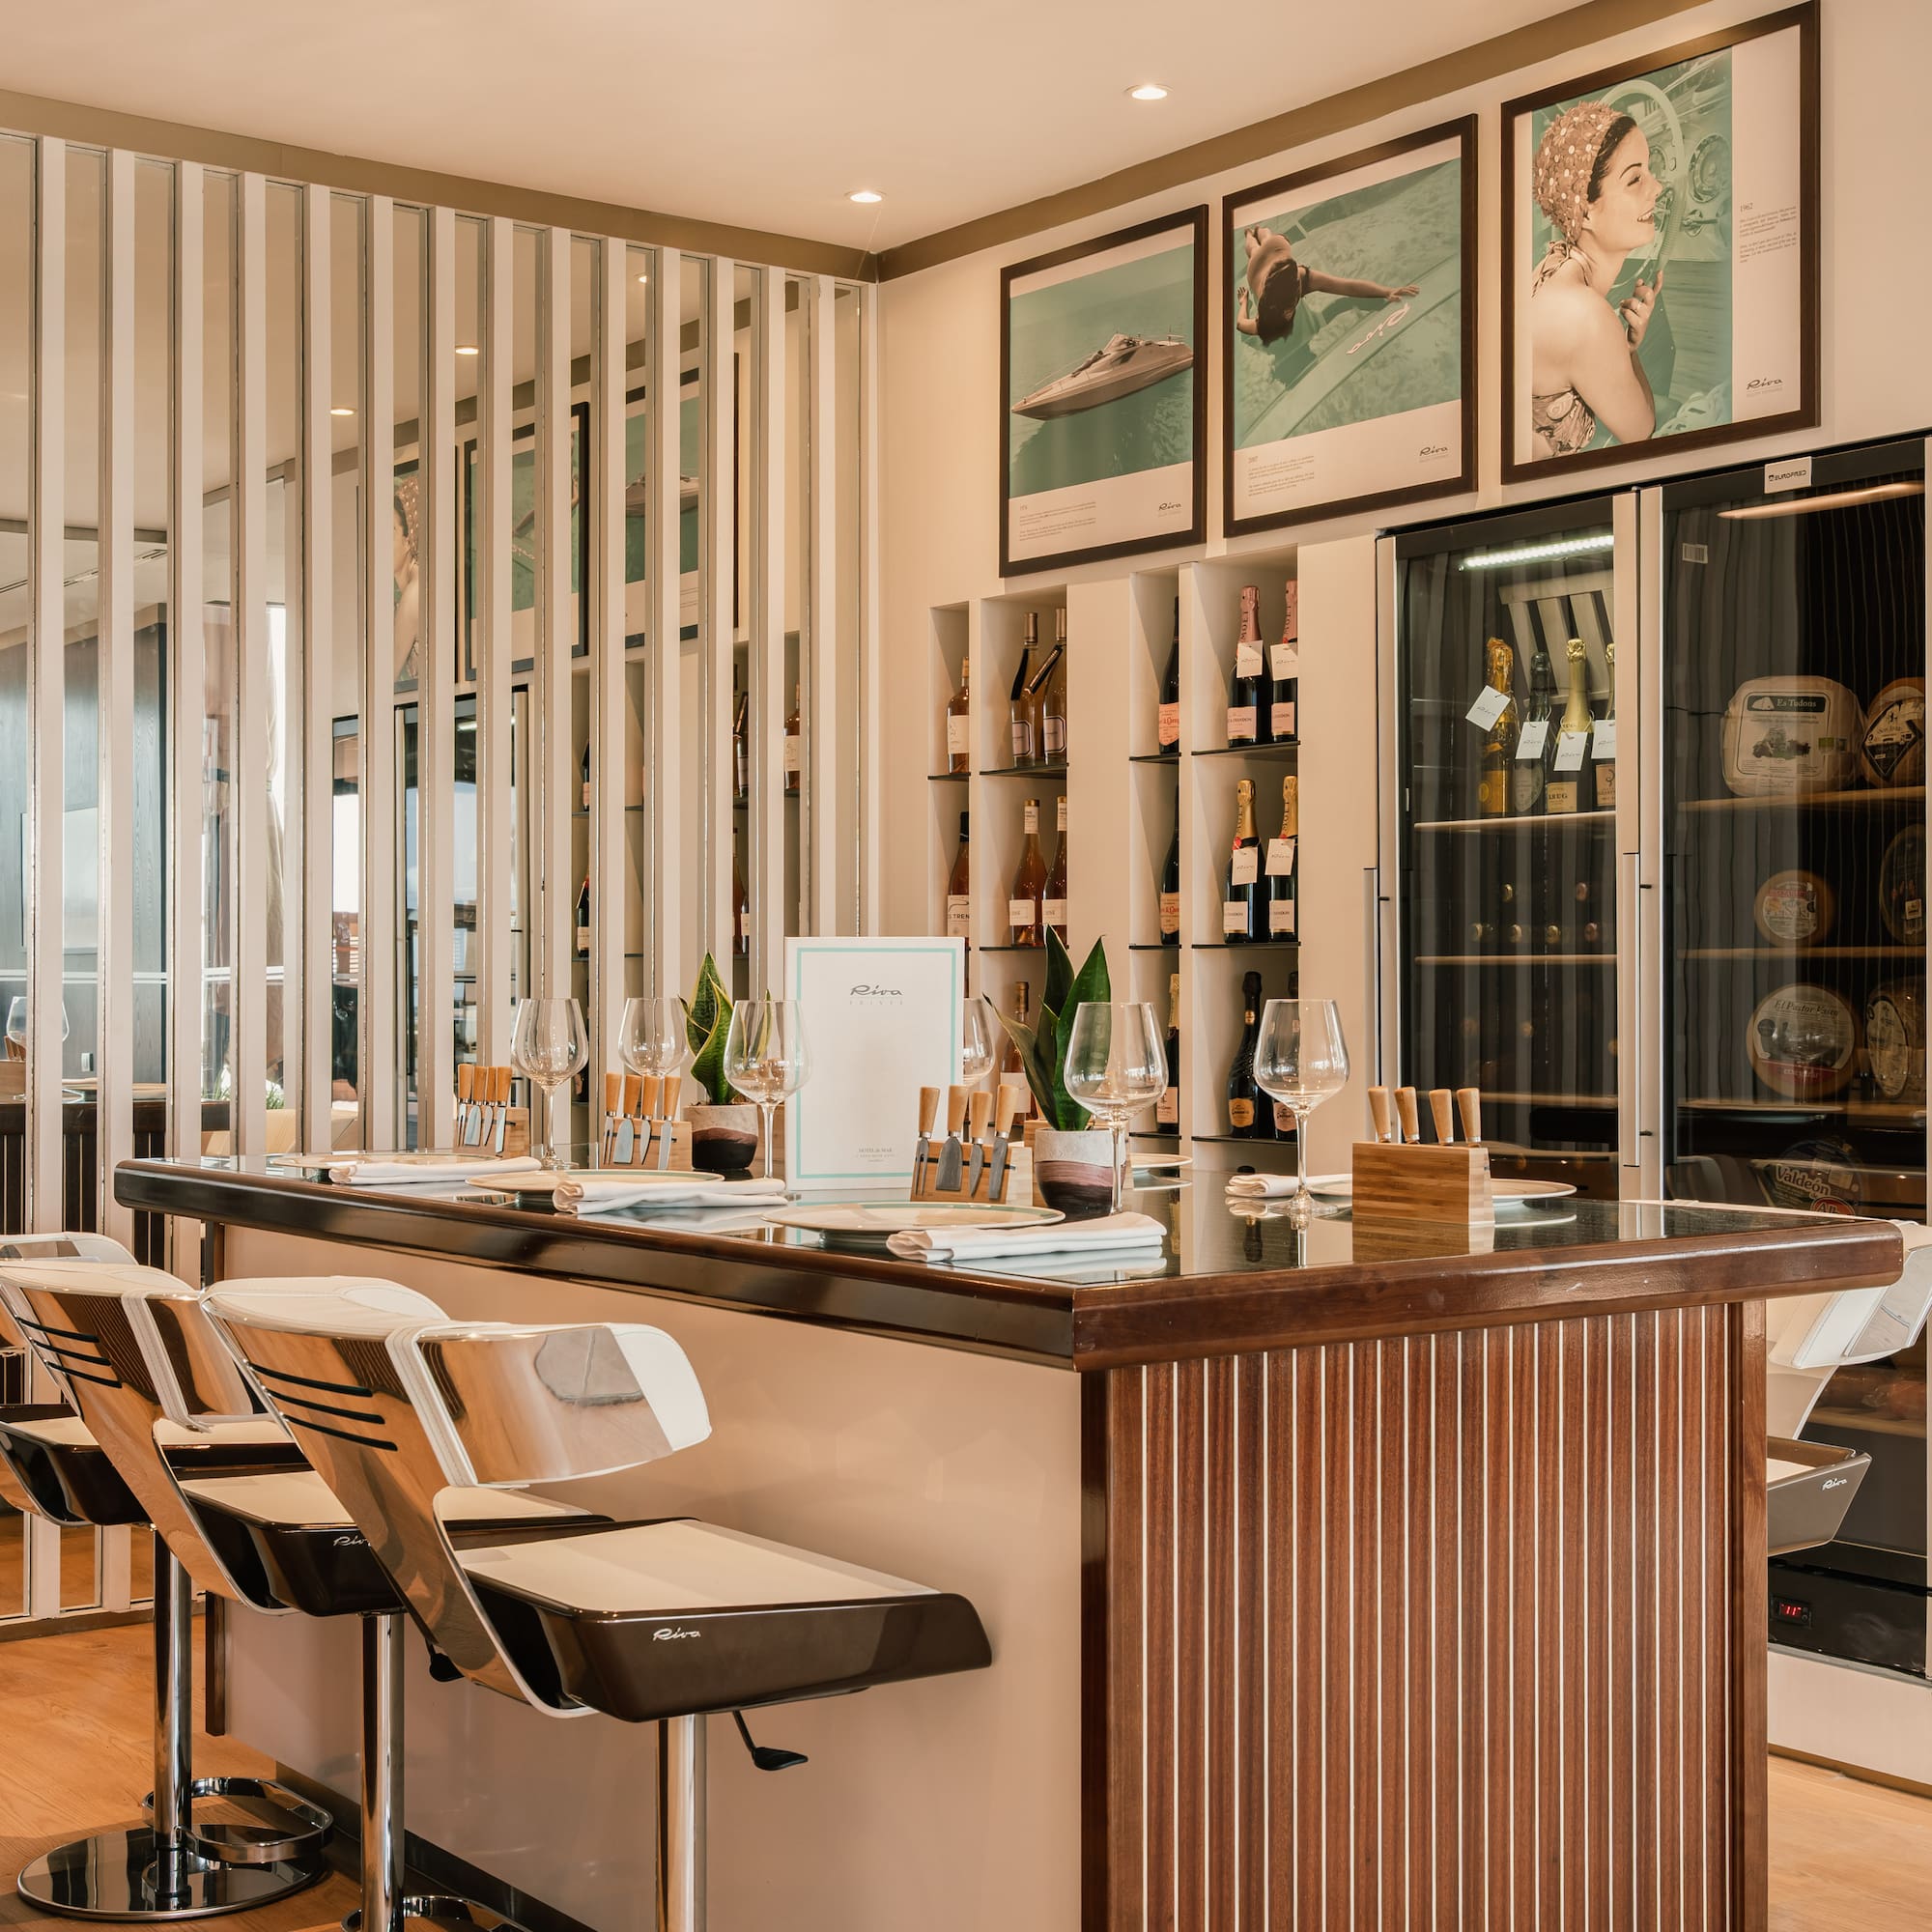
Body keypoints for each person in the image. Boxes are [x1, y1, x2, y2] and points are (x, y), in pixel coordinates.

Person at [1526, 99, 1665, 458]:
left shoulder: (1552, 265)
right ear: (1584, 210)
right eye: (1635, 179)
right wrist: (1629, 350)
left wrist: (1624, 347)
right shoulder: (1586, 316)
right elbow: (1640, 432)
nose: (1658, 187)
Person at [1235, 224, 1419, 343]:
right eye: (1290, 305)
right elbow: (1241, 323)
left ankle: (1258, 231)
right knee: (1254, 249)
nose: (1291, 310)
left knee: (1267, 240)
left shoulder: (1301, 277)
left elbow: (1347, 286)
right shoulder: (1265, 322)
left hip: (1278, 250)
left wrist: (1386, 291)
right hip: (1256, 269)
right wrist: (1244, 302)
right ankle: (1251, 233)